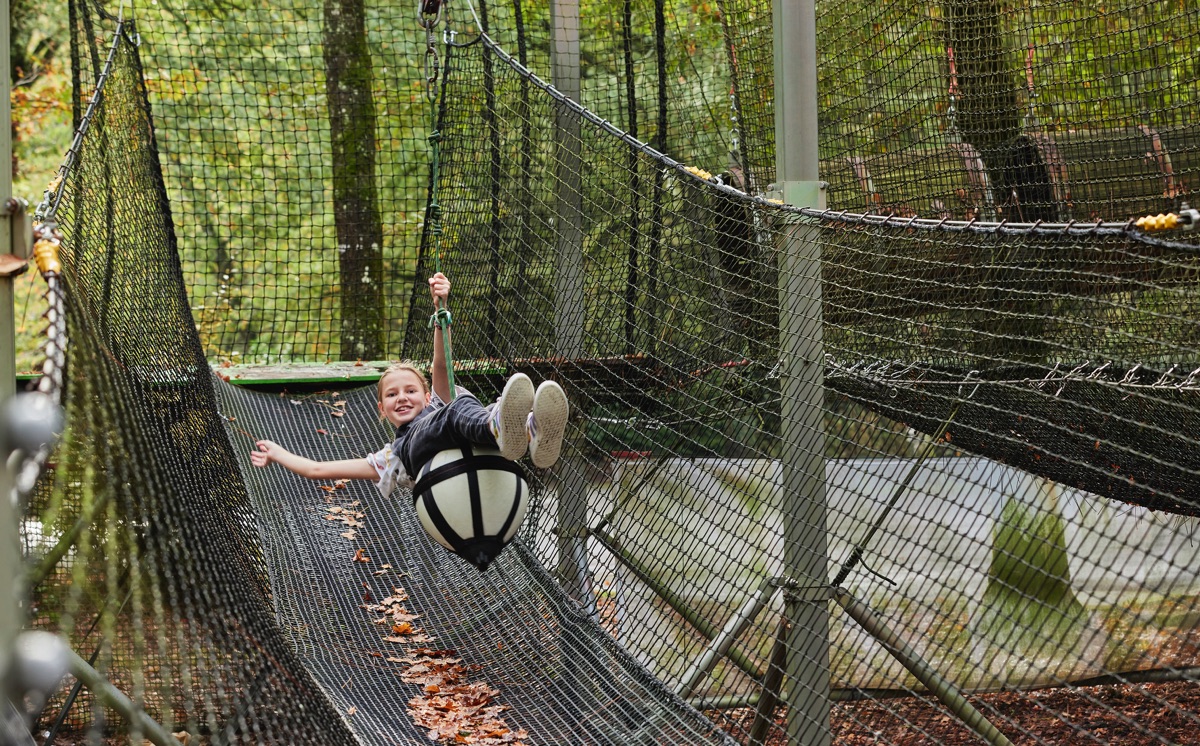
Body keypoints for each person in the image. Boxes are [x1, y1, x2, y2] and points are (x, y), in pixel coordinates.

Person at [250, 272, 570, 496]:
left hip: (481, 459)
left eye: (411, 390)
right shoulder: (391, 458)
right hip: (437, 476)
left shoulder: (438, 402)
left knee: (458, 401)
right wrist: (278, 453)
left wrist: (440, 309)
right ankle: (500, 424)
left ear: (427, 394)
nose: (401, 398)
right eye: (392, 394)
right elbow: (317, 470)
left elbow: (440, 364)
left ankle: (531, 432)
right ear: (382, 409)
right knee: (455, 409)